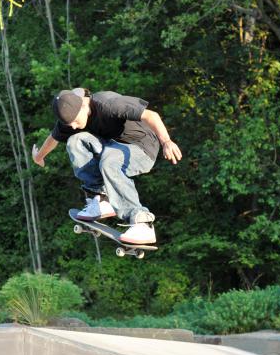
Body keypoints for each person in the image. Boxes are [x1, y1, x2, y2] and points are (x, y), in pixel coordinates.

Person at [32, 88, 182, 244]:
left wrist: (166, 142)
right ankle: (102, 200)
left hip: (142, 147)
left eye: (76, 121)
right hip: (111, 147)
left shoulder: (109, 104)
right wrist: (39, 157)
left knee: (110, 161)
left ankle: (142, 223)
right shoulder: (71, 118)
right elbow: (53, 138)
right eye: (71, 124)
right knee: (75, 141)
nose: (75, 126)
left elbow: (151, 115)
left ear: (83, 105)